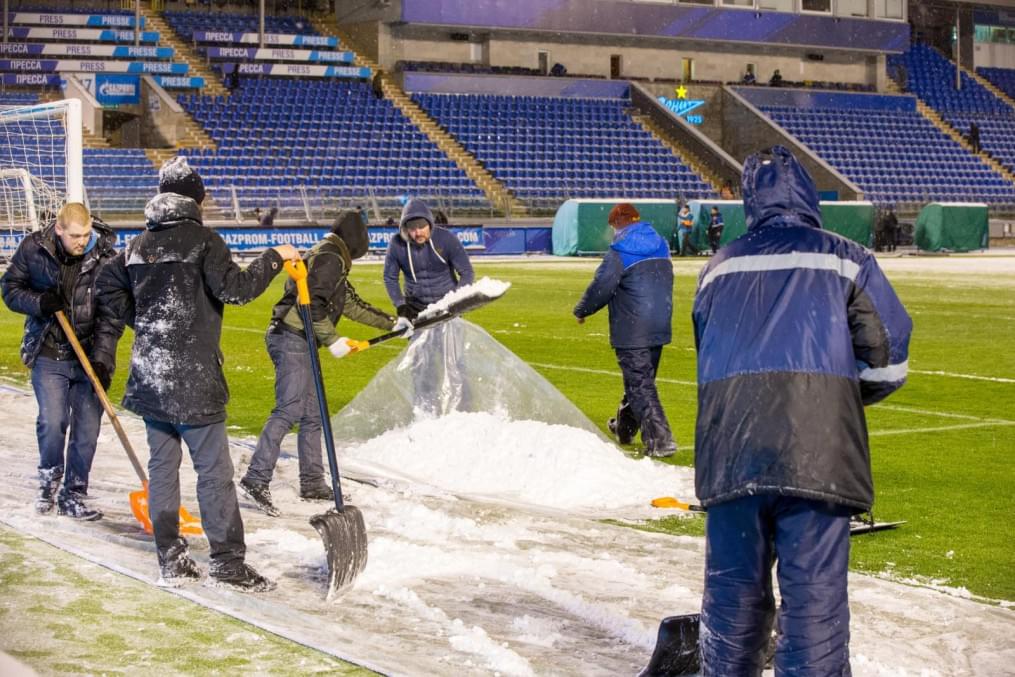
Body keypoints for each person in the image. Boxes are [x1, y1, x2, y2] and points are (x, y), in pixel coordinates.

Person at [688, 146, 911, 675]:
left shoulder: (717, 268)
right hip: (818, 453)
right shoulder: (847, 257)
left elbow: (708, 351)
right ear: (809, 197)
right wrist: (837, 399)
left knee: (731, 594)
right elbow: (888, 357)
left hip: (730, 451)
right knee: (814, 601)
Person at [95, 157, 300, 591]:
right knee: (213, 474)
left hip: (151, 377)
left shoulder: (135, 247)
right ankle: (227, 561)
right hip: (194, 381)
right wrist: (274, 257)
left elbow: (105, 288)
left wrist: (149, 322)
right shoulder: (205, 241)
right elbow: (237, 290)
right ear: (195, 199)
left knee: (163, 469)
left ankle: (171, 557)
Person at [239, 211, 408, 516]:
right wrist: (333, 340)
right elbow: (313, 304)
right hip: (291, 336)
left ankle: (313, 481)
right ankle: (255, 477)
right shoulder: (330, 257)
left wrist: (393, 324)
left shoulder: (333, 258)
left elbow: (352, 304)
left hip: (300, 338)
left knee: (314, 414)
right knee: (289, 408)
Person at [1, 203, 119, 521]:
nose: (82, 241)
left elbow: (112, 316)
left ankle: (74, 495)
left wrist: (103, 360)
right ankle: (48, 485)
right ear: (59, 230)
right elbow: (10, 289)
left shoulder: (106, 260)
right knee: (52, 424)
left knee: (87, 430)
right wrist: (38, 302)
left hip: (89, 357)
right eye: (75, 236)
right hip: (48, 353)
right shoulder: (34, 249)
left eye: (86, 234)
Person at [573, 203, 676, 458]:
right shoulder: (662, 244)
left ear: (618, 221)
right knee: (641, 380)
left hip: (632, 327)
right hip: (660, 321)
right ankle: (624, 428)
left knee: (640, 384)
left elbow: (602, 286)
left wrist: (582, 310)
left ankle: (661, 440)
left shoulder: (619, 251)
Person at [383, 198, 475, 415]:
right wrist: (401, 306)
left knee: (455, 364)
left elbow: (467, 272)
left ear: (430, 225)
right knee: (421, 365)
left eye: (421, 227)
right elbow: (389, 278)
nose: (417, 233)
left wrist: (455, 301)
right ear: (404, 228)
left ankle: (462, 411)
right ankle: (424, 411)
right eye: (412, 228)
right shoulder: (396, 245)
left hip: (447, 312)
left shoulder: (446, 239)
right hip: (418, 313)